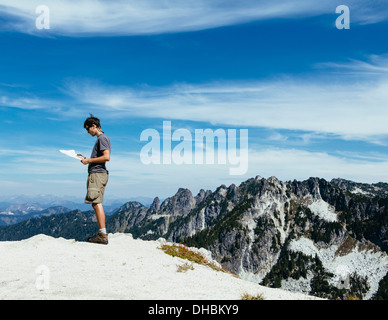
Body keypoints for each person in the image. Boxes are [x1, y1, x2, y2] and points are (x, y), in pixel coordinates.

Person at [81, 114, 111, 244]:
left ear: (94, 126)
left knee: (96, 202)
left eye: (88, 129)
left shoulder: (102, 138)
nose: (88, 132)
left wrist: (88, 160)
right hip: (99, 174)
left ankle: (102, 234)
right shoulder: (102, 139)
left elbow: (106, 157)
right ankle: (102, 233)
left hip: (97, 174)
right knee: (96, 202)